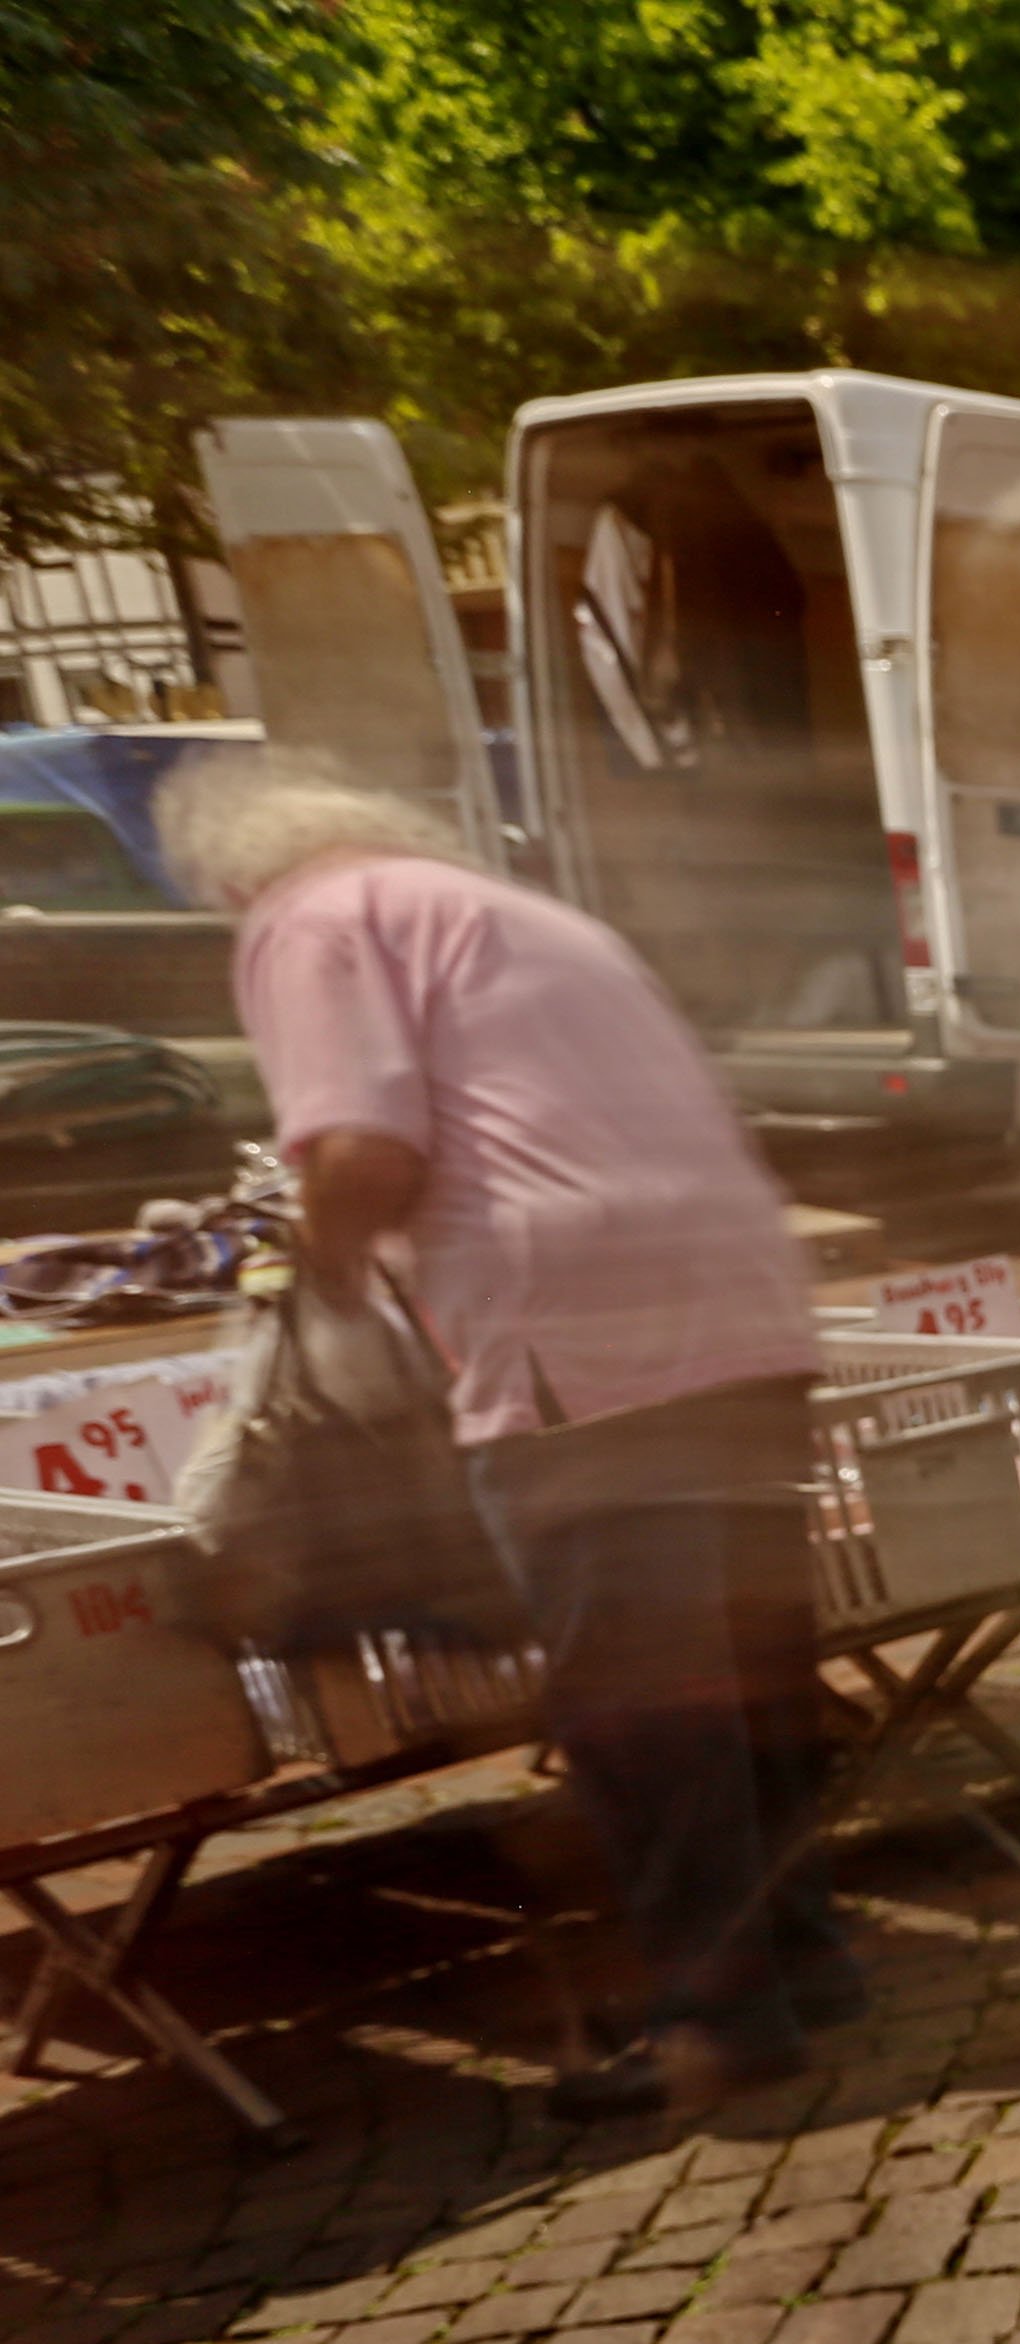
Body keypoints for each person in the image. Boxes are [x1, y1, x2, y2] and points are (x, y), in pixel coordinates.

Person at [159, 754, 843, 2119]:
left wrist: (313, 1269)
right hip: (736, 1296)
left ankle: (721, 2015)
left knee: (638, 1698)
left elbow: (362, 1151)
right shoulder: (523, 913)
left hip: (576, 1331)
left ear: (236, 874)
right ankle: (805, 1962)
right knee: (748, 1661)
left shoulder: (310, 919)